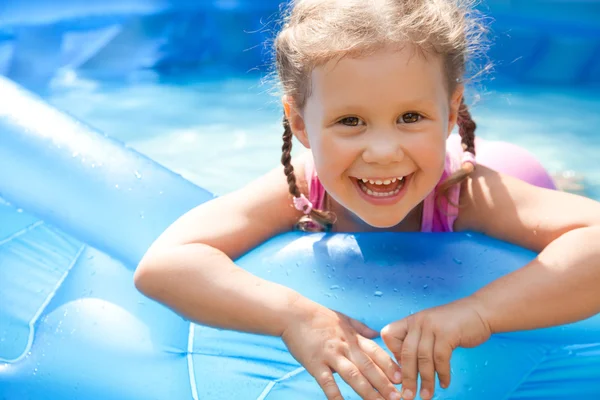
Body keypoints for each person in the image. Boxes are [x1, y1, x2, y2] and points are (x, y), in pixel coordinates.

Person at [133, 1, 600, 399]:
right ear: (299, 123)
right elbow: (166, 263)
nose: (381, 152)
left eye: (410, 116)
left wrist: (478, 311)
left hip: (508, 174)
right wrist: (294, 317)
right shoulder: (302, 190)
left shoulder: (463, 189)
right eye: (350, 121)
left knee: (548, 183)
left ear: (452, 111)